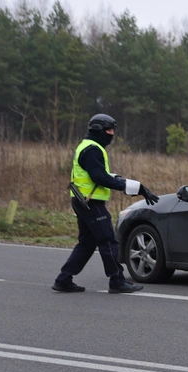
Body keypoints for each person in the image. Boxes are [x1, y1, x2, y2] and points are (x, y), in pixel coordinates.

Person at [53, 113, 160, 294]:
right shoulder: (92, 149)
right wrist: (133, 187)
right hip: (90, 202)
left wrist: (134, 186)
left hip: (83, 200)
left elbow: (98, 174)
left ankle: (63, 279)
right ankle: (117, 280)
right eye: (109, 130)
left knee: (87, 243)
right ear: (98, 131)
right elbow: (99, 177)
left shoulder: (88, 146)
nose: (112, 134)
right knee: (108, 240)